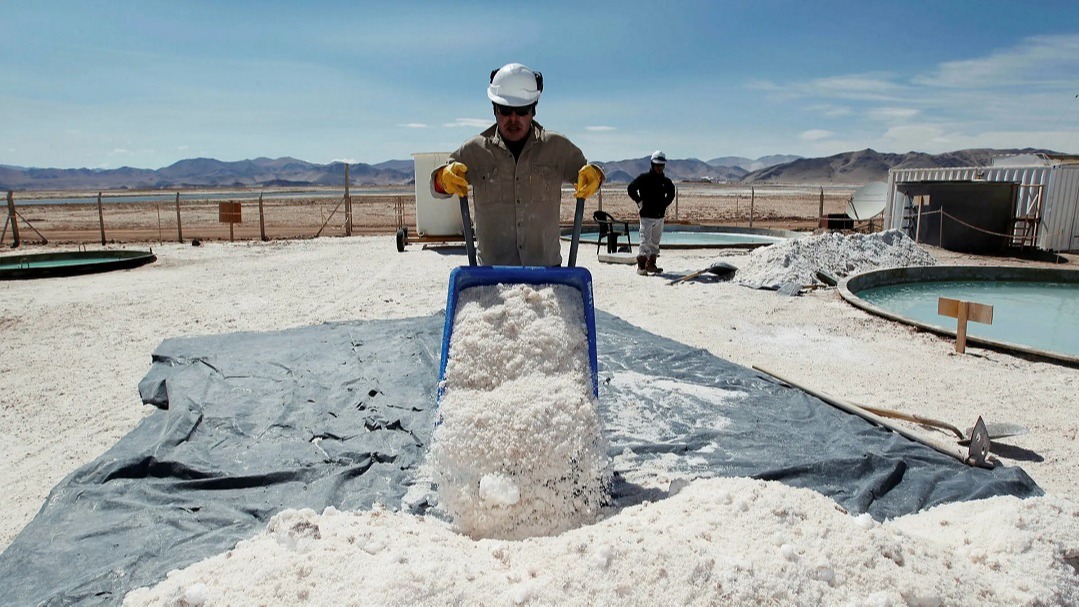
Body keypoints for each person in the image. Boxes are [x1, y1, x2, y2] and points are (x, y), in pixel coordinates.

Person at [430, 63, 604, 266]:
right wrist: (443, 178)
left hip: (547, 273)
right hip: (491, 277)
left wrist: (596, 177)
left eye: (521, 110)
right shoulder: (474, 151)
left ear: (533, 110)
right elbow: (436, 189)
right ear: (494, 109)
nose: (513, 119)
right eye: (505, 110)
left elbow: (589, 175)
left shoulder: (558, 148)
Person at [628, 150, 676, 275]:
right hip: (646, 216)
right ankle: (641, 266)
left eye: (661, 165)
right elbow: (631, 188)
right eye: (657, 165)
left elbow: (672, 192)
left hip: (659, 216)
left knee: (655, 241)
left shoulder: (666, 182)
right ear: (652, 164)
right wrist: (639, 201)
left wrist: (664, 204)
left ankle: (651, 264)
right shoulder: (644, 179)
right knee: (645, 241)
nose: (659, 168)